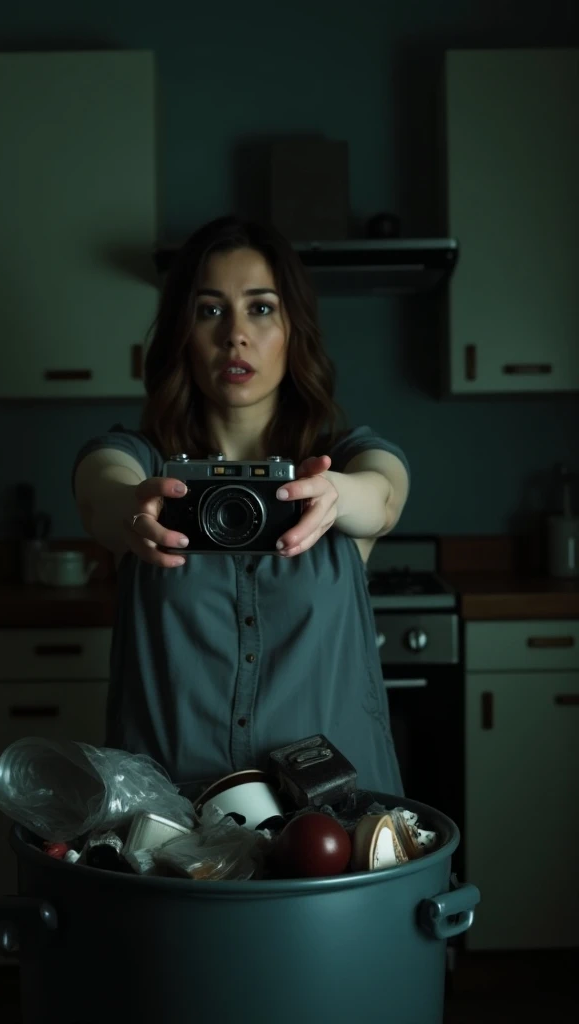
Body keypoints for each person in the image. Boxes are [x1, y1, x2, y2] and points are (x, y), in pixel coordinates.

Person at [73, 216, 410, 797]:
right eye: (210, 310)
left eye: (260, 308)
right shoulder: (142, 466)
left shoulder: (344, 462)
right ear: (183, 329)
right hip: (175, 827)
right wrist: (133, 508)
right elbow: (102, 490)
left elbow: (381, 497)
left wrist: (336, 495)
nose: (235, 335)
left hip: (338, 824)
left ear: (292, 328)